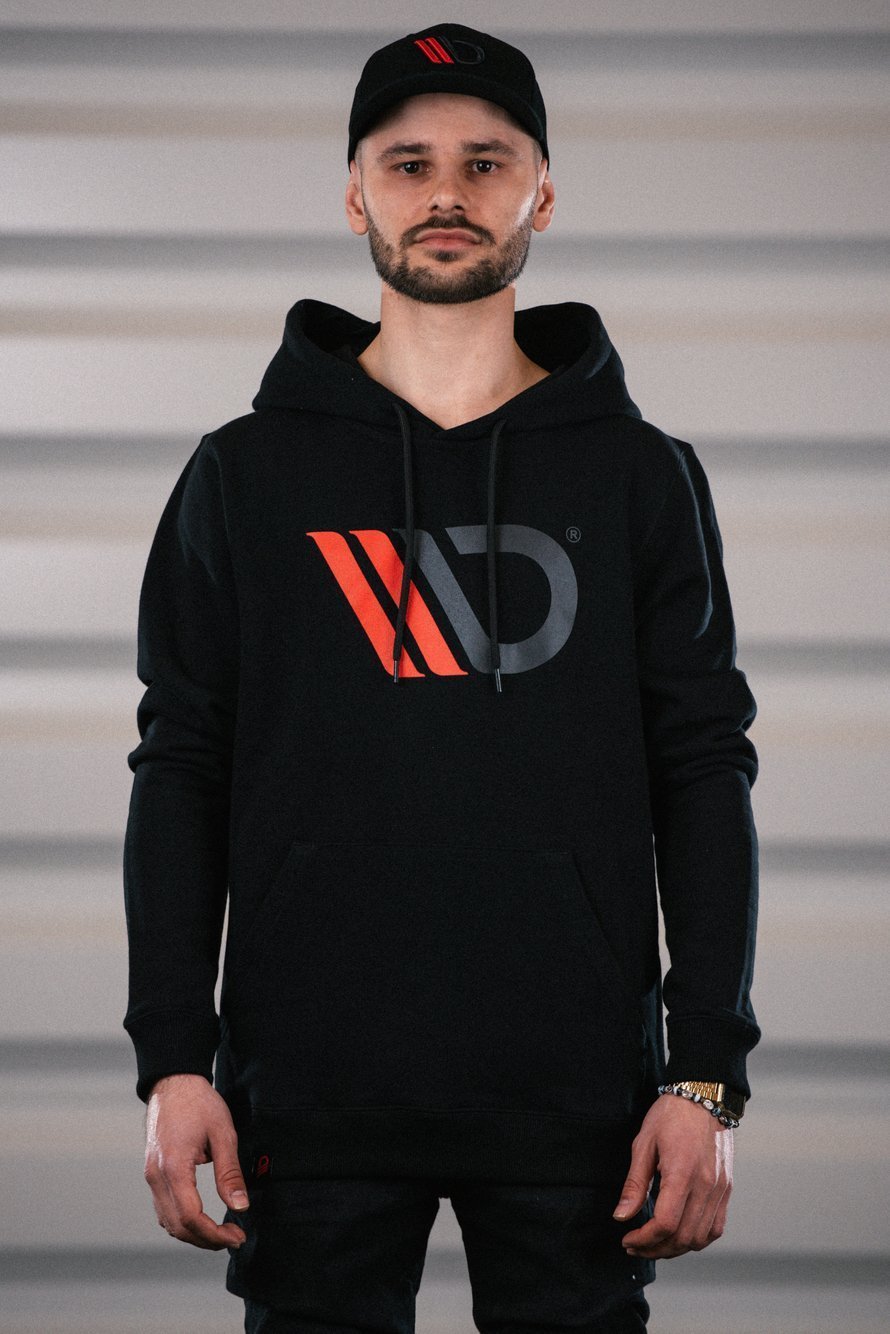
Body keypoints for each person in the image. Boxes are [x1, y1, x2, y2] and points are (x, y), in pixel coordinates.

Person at [122, 22, 761, 1333]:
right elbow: (180, 769)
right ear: (355, 195)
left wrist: (702, 1076)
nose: (447, 194)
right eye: (407, 164)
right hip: (308, 1093)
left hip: (577, 1097)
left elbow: (702, 770)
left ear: (543, 192)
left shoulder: (638, 475)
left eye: (486, 161)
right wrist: (174, 1059)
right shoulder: (245, 475)